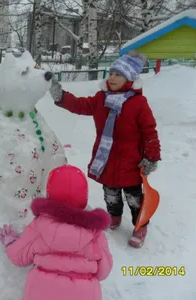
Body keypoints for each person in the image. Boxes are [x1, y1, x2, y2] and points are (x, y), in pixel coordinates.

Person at [49, 51, 161, 248]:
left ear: (130, 78)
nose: (112, 77)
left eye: (118, 74)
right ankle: (114, 216)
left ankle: (140, 226)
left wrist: (151, 157)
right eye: (111, 73)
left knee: (134, 199)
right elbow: (80, 105)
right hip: (106, 160)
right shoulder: (101, 99)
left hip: (131, 162)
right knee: (110, 193)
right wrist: (61, 97)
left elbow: (149, 131)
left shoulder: (138, 103)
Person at [0, 164, 113, 300]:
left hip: (41, 293)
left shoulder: (39, 225)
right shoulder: (95, 232)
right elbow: (103, 271)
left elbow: (18, 256)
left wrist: (11, 243)